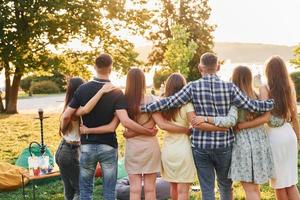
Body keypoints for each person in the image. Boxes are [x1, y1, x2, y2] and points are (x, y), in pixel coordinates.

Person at [141, 52, 274, 200]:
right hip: (224, 144)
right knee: (225, 186)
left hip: (201, 146)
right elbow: (251, 105)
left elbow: (170, 101)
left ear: (200, 67)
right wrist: (269, 104)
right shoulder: (230, 88)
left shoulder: (192, 87)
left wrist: (144, 108)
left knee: (207, 188)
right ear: (217, 67)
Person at [60, 53, 157, 200]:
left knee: (85, 190)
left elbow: (67, 115)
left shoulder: (82, 89)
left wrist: (63, 128)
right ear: (110, 69)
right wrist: (148, 131)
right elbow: (123, 122)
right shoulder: (117, 92)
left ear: (94, 67)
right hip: (109, 146)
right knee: (109, 192)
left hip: (87, 146)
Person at [198, 66, 275, 200]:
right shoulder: (256, 95)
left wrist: (207, 119)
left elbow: (231, 121)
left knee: (250, 190)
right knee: (255, 188)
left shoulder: (235, 99)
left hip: (244, 144)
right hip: (260, 141)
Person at [120, 68, 192, 200]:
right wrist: (147, 131)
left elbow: (125, 123)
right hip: (150, 148)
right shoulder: (153, 99)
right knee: (150, 189)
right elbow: (157, 124)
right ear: (143, 81)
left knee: (134, 189)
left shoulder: (123, 101)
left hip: (132, 148)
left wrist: (131, 134)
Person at [160, 73, 229, 200]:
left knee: (173, 187)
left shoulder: (163, 104)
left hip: (167, 150)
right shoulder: (187, 105)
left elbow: (162, 125)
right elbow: (196, 123)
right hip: (183, 150)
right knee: (183, 191)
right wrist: (221, 127)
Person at [56, 77, 117, 200]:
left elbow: (66, 117)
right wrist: (101, 91)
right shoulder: (75, 108)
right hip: (71, 151)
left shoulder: (68, 105)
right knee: (80, 190)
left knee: (69, 189)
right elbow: (85, 109)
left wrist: (63, 129)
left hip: (62, 149)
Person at [260, 56, 300, 200]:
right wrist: (298, 138)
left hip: (274, 137)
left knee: (279, 184)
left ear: (268, 70)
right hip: (289, 135)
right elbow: (294, 118)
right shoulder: (290, 88)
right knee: (290, 182)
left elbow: (264, 114)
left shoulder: (265, 88)